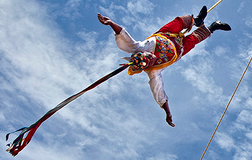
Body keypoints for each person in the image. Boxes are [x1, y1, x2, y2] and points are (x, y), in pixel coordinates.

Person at [97, 7, 231, 127]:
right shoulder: (153, 72)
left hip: (166, 34)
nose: (151, 57)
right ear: (146, 66)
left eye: (147, 55)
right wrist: (167, 112)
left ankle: (196, 20)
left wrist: (110, 23)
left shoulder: (140, 48)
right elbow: (158, 93)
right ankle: (213, 27)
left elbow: (124, 38)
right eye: (149, 60)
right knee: (193, 40)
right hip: (179, 49)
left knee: (178, 22)